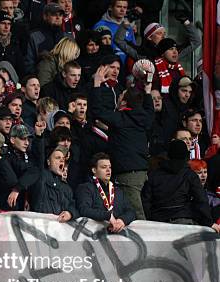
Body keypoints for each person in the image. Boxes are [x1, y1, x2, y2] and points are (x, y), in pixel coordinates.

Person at [90, 65, 154, 220]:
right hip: (142, 172)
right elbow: (150, 111)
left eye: (120, 96)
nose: (118, 98)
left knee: (135, 217)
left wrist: (97, 84)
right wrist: (147, 92)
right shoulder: (143, 118)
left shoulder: (120, 118)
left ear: (124, 103)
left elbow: (97, 111)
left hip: (128, 175)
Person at [142, 140, 220, 232]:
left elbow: (145, 200)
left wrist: (151, 219)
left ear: (168, 155)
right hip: (184, 222)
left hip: (158, 223)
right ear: (186, 155)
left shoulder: (153, 175)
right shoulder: (189, 175)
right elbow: (201, 199)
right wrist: (209, 222)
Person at [76, 153, 136, 233]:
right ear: (94, 170)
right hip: (95, 238)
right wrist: (108, 216)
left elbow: (131, 211)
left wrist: (122, 220)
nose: (108, 170)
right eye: (104, 167)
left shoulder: (118, 191)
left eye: (109, 167)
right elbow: (84, 210)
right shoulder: (85, 188)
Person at [30, 145, 78, 222]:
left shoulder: (66, 187)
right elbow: (38, 158)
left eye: (63, 159)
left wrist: (70, 213)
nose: (62, 160)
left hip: (58, 232)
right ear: (48, 162)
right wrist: (39, 137)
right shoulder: (41, 176)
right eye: (57, 158)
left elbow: (74, 206)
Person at [24, 3, 66, 75]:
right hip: (41, 80)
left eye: (60, 15)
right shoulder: (34, 36)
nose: (58, 17)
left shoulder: (66, 37)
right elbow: (28, 65)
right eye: (54, 14)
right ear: (45, 16)